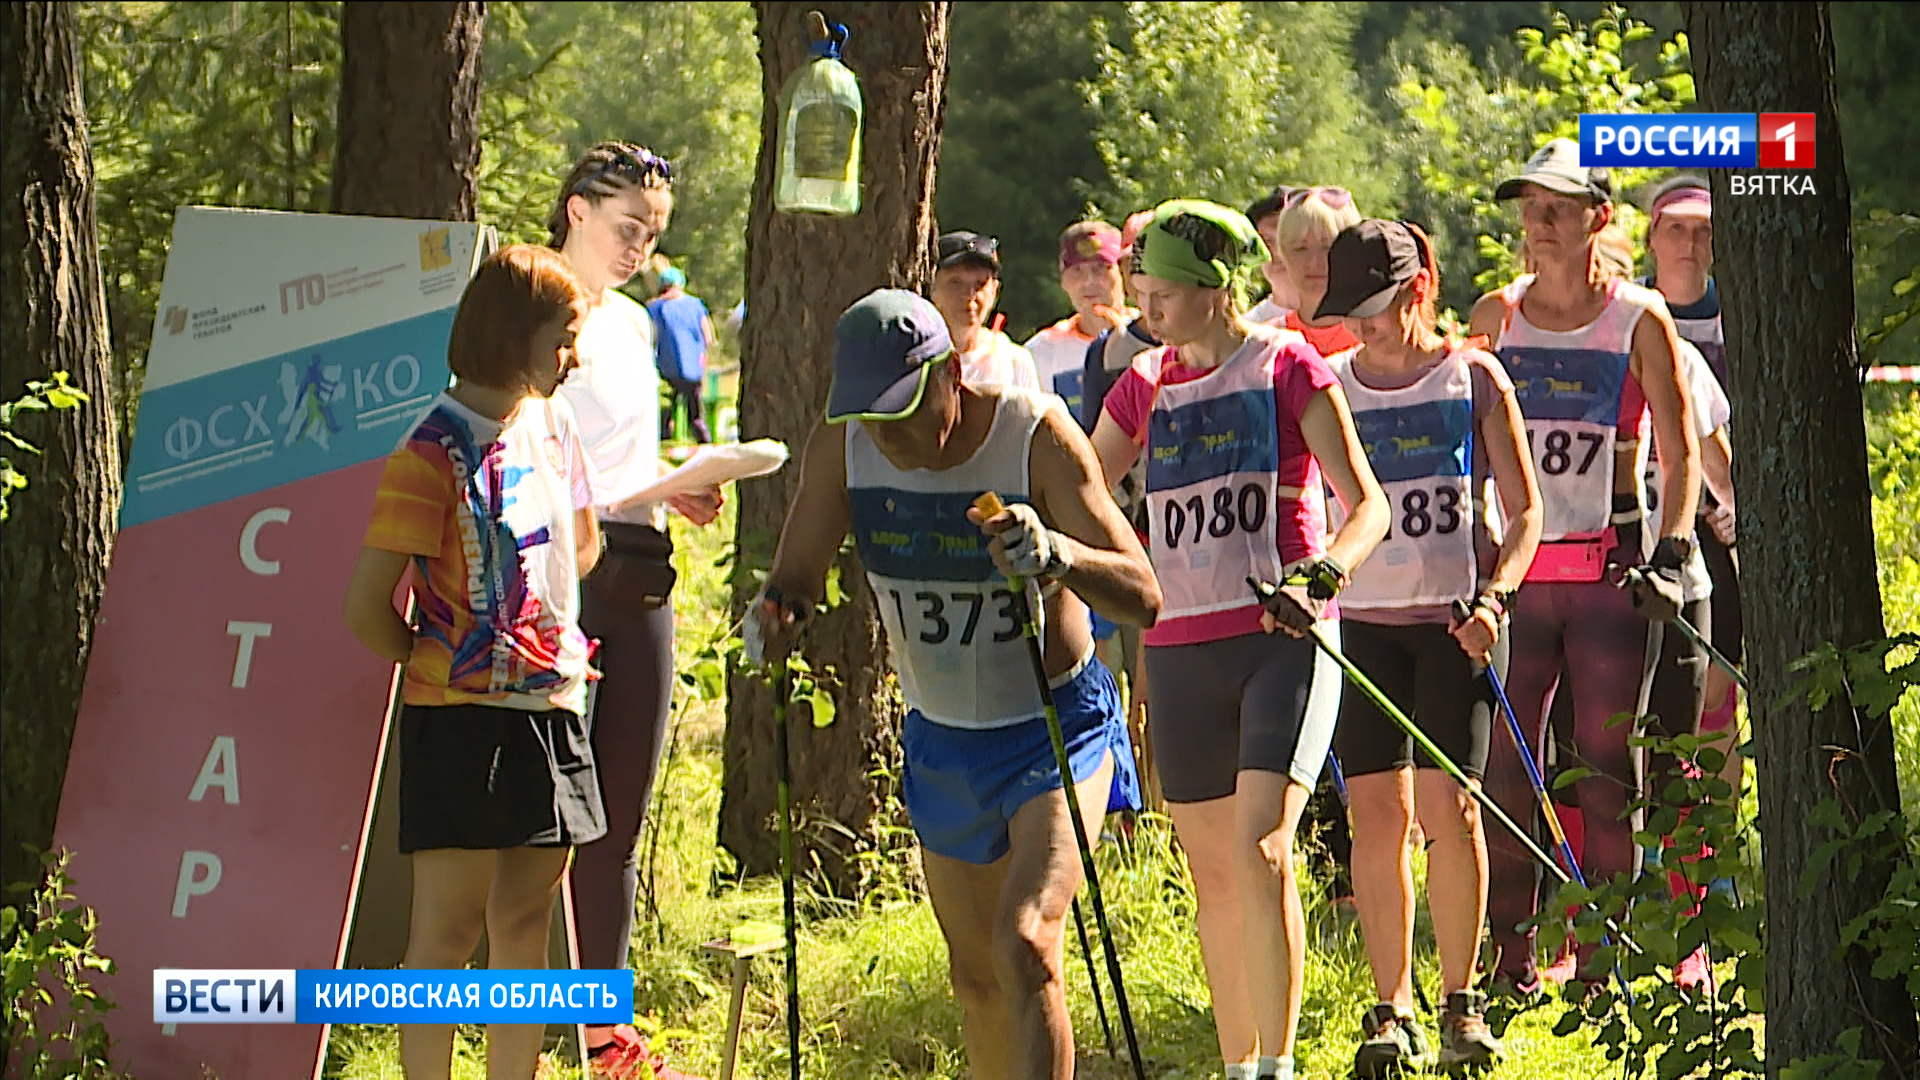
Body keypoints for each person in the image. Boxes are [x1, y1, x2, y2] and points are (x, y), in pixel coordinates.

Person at [744, 289, 1160, 1080]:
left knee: (1026, 944)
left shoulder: (1035, 435)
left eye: (904, 412)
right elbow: (792, 583)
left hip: (1053, 728)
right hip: (942, 739)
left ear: (951, 375)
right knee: (976, 980)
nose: (891, 437)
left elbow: (1143, 595)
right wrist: (773, 617)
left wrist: (1058, 554)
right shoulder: (844, 449)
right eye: (872, 418)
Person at [1091, 200, 1390, 1080]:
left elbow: (1367, 506)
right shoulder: (1144, 383)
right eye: (1143, 289)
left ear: (1216, 290)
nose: (1149, 307)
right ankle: (1238, 1065)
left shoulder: (1286, 366)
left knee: (1262, 850)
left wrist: (1322, 574)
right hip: (1180, 648)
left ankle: (1279, 1067)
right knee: (1214, 875)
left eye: (1167, 291)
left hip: (1280, 640)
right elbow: (1085, 488)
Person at [342, 244, 605, 1080]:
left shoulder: (555, 425)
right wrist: (438, 661)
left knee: (524, 926)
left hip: (552, 712)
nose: (575, 358)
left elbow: (583, 548)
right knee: (447, 934)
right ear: (511, 334)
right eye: (563, 338)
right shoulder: (428, 450)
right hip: (457, 725)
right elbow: (365, 608)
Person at [1467, 138, 1701, 1000]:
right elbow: (1467, 445)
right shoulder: (1495, 315)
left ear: (1598, 218)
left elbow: (1679, 453)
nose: (1539, 224)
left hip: (1608, 573)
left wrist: (1672, 552)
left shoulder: (1638, 318)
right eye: (1530, 209)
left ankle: (1604, 963)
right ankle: (1511, 960)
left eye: (1557, 209)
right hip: (1520, 578)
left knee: (1606, 769)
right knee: (1506, 770)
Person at [1315, 220, 1541, 1074]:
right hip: (1363, 626)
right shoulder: (1330, 384)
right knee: (1377, 817)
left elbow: (1526, 511)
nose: (1359, 325)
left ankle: (1460, 1002)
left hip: (1457, 625)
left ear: (1420, 290)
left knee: (1453, 811)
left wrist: (1497, 599)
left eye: (1374, 305)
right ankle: (1392, 1008)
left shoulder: (1472, 376)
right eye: (1348, 309)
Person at [545, 141, 723, 1080]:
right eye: (627, 228)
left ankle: (601, 1036)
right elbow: (524, 454)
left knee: (617, 817)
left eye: (652, 235)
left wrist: (677, 483)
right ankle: (524, 1028)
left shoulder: (636, 322)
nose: (639, 250)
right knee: (541, 822)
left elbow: (619, 456)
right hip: (556, 575)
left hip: (641, 566)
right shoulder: (533, 301)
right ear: (576, 209)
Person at [1641, 176, 1742, 786]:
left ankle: (1718, 824)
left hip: (1726, 520)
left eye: (1702, 231)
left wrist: (1741, 504)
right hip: (1650, 520)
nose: (1688, 243)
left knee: (1719, 687)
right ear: (1652, 237)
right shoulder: (1630, 316)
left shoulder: (1741, 317)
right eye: (1675, 228)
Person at [1024, 220, 1133, 421]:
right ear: (1063, 281)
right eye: (1077, 271)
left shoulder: (1153, 334)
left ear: (1123, 273)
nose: (1089, 281)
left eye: (1101, 268)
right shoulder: (1039, 352)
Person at [933, 230, 1042, 391]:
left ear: (994, 292)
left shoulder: (1014, 361)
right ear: (932, 288)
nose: (969, 294)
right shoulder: (917, 360)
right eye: (955, 282)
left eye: (980, 284)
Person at [1273, 187, 1365, 357]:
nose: (1314, 262)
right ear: (1283, 255)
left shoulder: (1375, 338)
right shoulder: (1269, 344)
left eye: (1327, 247)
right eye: (1300, 248)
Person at [648, 264, 716, 445]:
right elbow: (708, 336)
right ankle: (705, 443)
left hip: (666, 368)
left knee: (665, 409)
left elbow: (651, 337)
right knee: (695, 413)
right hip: (693, 368)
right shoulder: (696, 305)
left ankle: (663, 443)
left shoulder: (654, 308)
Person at [1245, 186, 1301, 325]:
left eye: (1289, 239)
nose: (1278, 252)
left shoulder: (1349, 321)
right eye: (1267, 241)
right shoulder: (1247, 328)